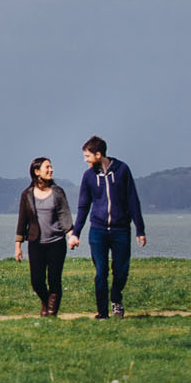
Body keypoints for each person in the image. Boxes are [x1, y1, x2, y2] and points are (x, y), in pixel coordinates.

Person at [65, 136, 147, 319]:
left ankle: (116, 298)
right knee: (100, 272)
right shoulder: (88, 176)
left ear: (98, 154)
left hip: (121, 230)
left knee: (121, 271)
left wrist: (140, 229)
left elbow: (133, 200)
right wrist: (75, 233)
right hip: (98, 231)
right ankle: (102, 313)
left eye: (87, 156)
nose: (85, 160)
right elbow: (83, 206)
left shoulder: (123, 170)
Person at [14, 157, 73, 316]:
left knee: (54, 279)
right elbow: (22, 220)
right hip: (36, 243)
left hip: (56, 243)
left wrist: (71, 235)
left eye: (51, 167)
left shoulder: (58, 192)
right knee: (37, 281)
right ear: (36, 171)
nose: (51, 170)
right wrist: (18, 246)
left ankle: (51, 312)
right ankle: (46, 301)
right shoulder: (27, 194)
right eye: (47, 167)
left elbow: (64, 216)